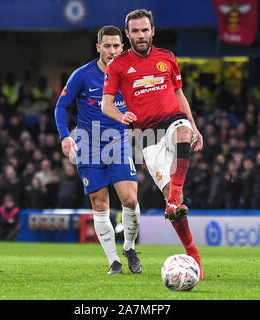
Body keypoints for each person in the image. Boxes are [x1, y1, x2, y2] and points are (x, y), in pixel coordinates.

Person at [101, 9, 204, 279]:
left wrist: (193, 124)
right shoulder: (118, 65)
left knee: (183, 133)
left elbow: (179, 94)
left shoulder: (168, 58)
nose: (141, 35)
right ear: (128, 34)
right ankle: (186, 237)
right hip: (148, 137)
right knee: (176, 196)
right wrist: (121, 115)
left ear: (153, 31)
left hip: (174, 122)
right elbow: (106, 104)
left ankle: (191, 253)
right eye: (135, 31)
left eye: (145, 30)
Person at [54, 25, 141, 275]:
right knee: (100, 203)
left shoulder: (131, 74)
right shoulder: (82, 75)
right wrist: (65, 137)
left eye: (116, 46)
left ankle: (129, 247)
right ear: (98, 47)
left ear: (122, 47)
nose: (112, 51)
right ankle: (114, 260)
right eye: (107, 46)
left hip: (118, 143)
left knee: (130, 199)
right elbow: (61, 107)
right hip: (89, 147)